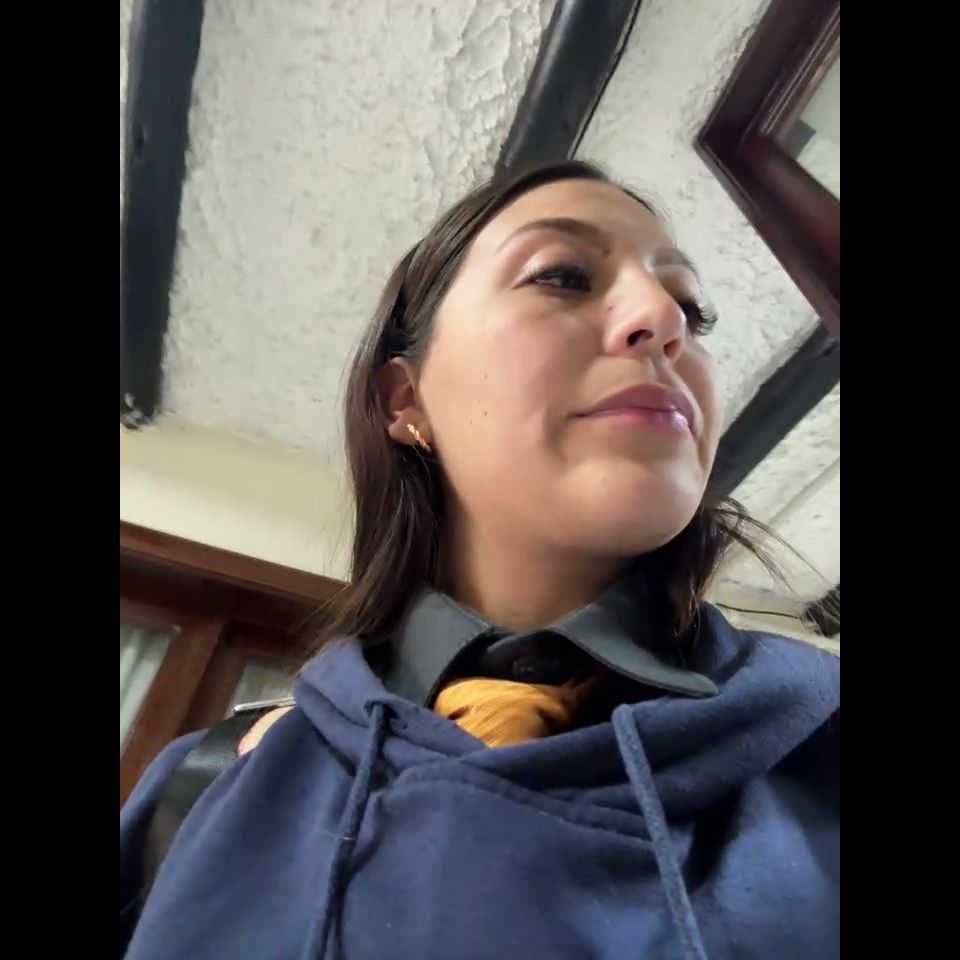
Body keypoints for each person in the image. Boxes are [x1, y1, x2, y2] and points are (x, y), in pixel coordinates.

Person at [120, 160, 839, 960]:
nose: (664, 319)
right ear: (406, 400)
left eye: (692, 309)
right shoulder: (201, 788)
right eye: (562, 275)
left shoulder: (822, 752)